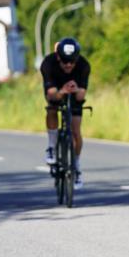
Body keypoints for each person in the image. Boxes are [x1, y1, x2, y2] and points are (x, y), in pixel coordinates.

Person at [40, 37, 90, 188]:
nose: (68, 65)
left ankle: (76, 165)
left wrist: (76, 90)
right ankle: (51, 147)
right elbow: (51, 94)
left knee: (76, 131)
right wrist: (62, 91)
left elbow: (81, 96)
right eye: (65, 61)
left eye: (72, 61)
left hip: (74, 94)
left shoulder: (84, 65)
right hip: (56, 90)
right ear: (58, 57)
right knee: (52, 108)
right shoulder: (48, 63)